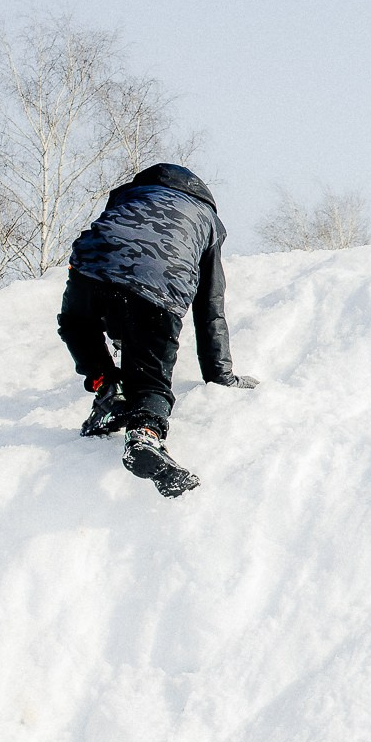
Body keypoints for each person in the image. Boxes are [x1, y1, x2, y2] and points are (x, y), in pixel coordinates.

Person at [58, 162, 256, 498]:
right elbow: (210, 308)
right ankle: (144, 433)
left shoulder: (130, 195)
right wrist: (220, 375)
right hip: (161, 283)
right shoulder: (206, 221)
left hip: (93, 263)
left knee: (77, 324)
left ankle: (107, 386)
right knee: (149, 378)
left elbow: (119, 258)